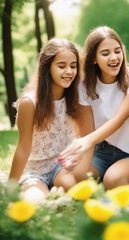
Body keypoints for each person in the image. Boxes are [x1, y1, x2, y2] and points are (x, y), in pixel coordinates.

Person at [59, 26, 129, 189]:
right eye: (105, 53)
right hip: (101, 152)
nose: (114, 57)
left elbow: (119, 119)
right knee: (73, 178)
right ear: (93, 59)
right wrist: (79, 171)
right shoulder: (84, 87)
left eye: (117, 51)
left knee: (112, 179)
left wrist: (86, 141)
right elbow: (87, 130)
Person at [9, 38, 80, 197]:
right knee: (36, 201)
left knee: (73, 191)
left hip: (63, 167)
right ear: (47, 67)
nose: (69, 71)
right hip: (35, 171)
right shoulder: (29, 103)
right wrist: (10, 189)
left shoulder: (76, 98)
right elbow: (23, 148)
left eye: (73, 66)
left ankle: (55, 190)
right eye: (61, 66)